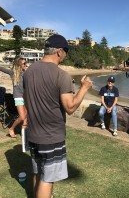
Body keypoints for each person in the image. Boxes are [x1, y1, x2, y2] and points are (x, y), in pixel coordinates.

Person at [23, 34, 92, 198]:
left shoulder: (29, 71)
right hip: (51, 136)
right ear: (59, 52)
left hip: (33, 133)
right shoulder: (62, 75)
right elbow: (70, 107)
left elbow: (27, 99)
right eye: (66, 51)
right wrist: (84, 88)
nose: (66, 55)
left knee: (38, 172)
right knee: (48, 179)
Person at [0, 50, 27, 138]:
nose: (26, 65)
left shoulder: (27, 73)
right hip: (18, 97)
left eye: (26, 63)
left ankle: (24, 135)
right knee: (21, 116)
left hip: (26, 97)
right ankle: (11, 128)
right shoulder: (12, 73)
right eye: (24, 63)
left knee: (26, 118)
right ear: (19, 65)